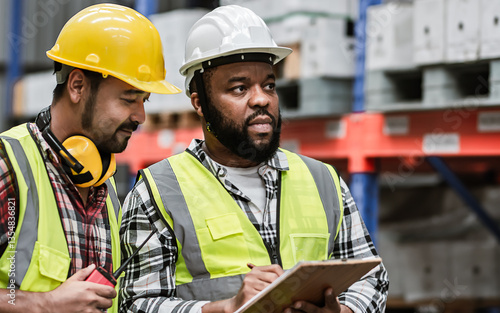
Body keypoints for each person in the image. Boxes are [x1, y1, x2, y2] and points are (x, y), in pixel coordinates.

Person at [120, 5, 388, 313]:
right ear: (200, 104)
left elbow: (372, 279)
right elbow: (136, 305)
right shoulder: (159, 192)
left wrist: (343, 311)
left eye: (269, 85)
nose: (261, 98)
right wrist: (226, 308)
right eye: (239, 87)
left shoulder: (323, 181)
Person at [0, 3, 180, 313]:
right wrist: (44, 303)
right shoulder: (10, 167)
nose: (140, 115)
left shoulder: (104, 187)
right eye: (129, 99)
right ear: (78, 86)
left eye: (144, 100)